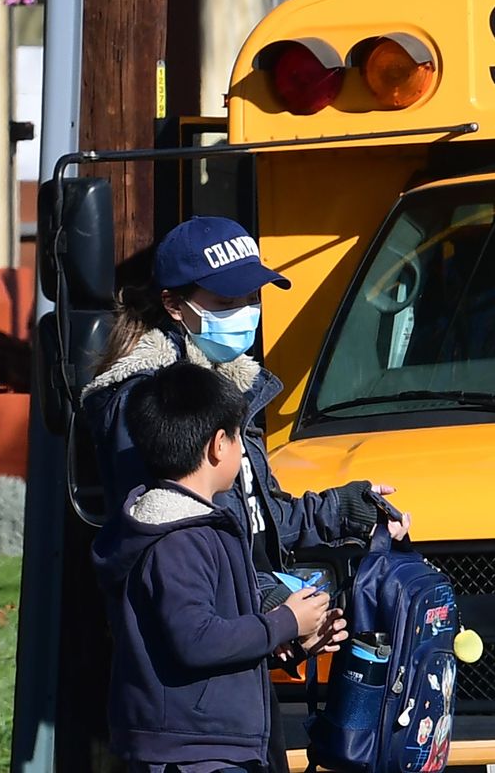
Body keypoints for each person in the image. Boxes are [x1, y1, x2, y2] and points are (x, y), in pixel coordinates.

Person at [82, 215, 408, 771]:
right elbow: (176, 549)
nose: (246, 312)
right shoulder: (154, 406)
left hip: (238, 683)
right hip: (189, 716)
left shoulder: (227, 382)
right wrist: (279, 614)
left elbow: (258, 513)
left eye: (252, 297)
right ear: (174, 304)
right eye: (227, 300)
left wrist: (347, 509)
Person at [93, 362, 347, 773]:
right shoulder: (180, 539)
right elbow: (196, 639)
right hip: (192, 751)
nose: (242, 449)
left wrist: (293, 641)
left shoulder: (194, 529)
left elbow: (211, 638)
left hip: (206, 745)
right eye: (237, 437)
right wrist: (283, 621)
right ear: (217, 446)